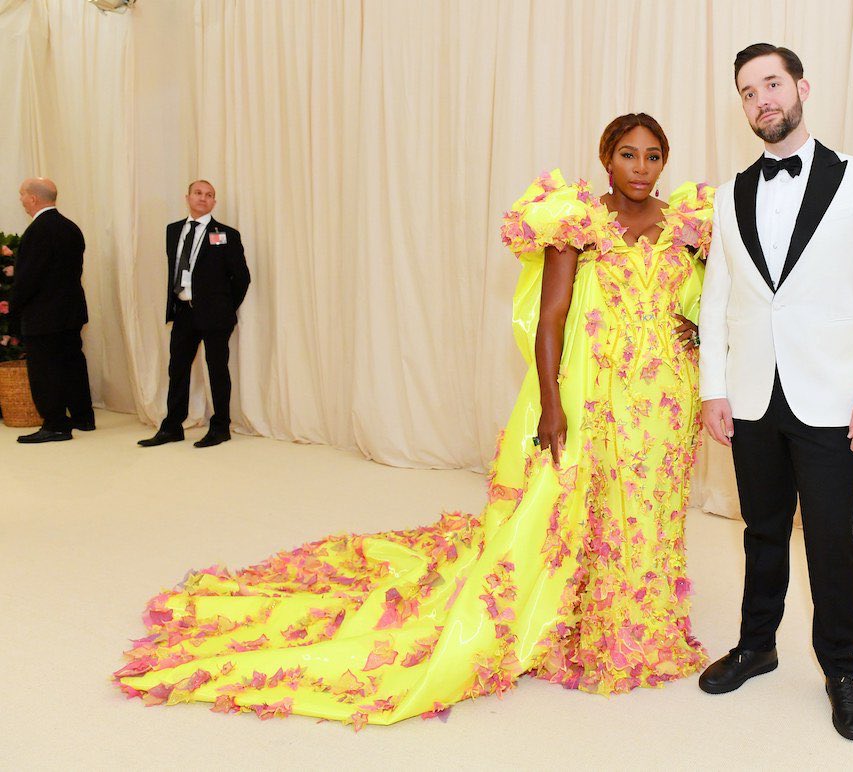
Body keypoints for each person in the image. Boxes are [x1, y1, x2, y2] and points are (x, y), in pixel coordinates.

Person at [114, 114, 714, 728]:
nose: (641, 168)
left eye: (653, 156)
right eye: (628, 154)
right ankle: (593, 620)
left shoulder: (687, 224)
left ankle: (647, 618)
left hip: (665, 394)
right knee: (589, 503)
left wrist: (701, 331)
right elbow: (551, 318)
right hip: (595, 392)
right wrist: (552, 404)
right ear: (606, 159)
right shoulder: (575, 222)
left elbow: (723, 296)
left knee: (651, 505)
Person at [696, 44, 853, 742]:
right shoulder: (729, 194)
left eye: (772, 84)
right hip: (752, 396)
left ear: (801, 88)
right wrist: (714, 389)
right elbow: (717, 299)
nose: (762, 99)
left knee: (831, 540)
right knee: (760, 531)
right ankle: (757, 645)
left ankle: (841, 669)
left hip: (834, 396)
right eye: (748, 91)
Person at [138, 180, 251, 449]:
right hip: (183, 312)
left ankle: (220, 427)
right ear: (187, 197)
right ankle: (172, 427)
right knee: (177, 369)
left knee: (217, 369)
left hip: (215, 315)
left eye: (209, 195)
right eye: (198, 193)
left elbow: (242, 278)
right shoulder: (173, 230)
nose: (203, 198)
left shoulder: (226, 234)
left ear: (214, 202)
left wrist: (225, 307)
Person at [9, 178, 94, 443]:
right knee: (72, 362)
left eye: (22, 194)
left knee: (45, 369)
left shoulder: (37, 231)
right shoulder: (71, 227)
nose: (21, 199)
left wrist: (14, 312)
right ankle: (83, 417)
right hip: (71, 311)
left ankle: (55, 424)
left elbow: (28, 279)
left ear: (33, 198)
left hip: (43, 314)